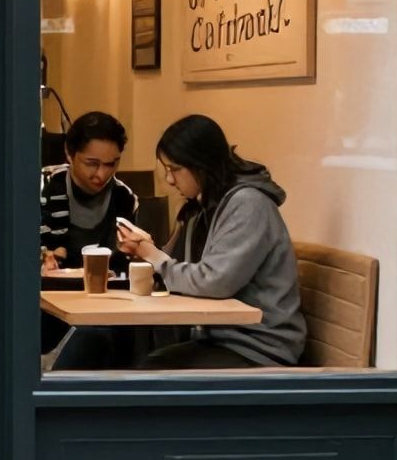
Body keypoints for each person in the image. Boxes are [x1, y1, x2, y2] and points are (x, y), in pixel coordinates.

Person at [115, 114, 306, 369]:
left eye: (174, 169)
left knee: (150, 372)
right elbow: (178, 267)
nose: (170, 180)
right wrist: (145, 252)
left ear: (201, 164)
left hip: (258, 348)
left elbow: (214, 282)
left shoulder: (248, 204)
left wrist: (152, 255)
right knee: (120, 348)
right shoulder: (206, 206)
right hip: (221, 338)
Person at [39, 112, 141, 369]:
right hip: (48, 304)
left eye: (111, 164)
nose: (101, 174)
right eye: (92, 163)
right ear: (69, 154)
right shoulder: (42, 188)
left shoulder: (124, 198)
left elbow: (124, 263)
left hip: (105, 304)